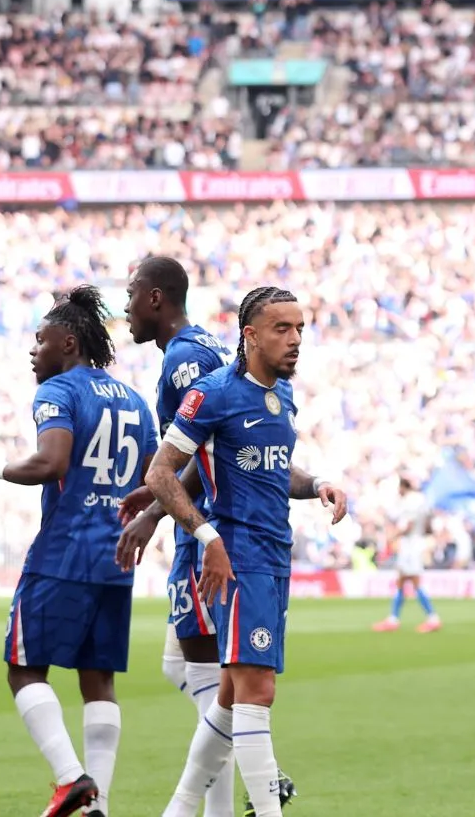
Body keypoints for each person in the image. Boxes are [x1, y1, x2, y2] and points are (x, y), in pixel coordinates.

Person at [139, 286, 348, 817]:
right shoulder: (212, 394)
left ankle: (181, 810)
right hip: (238, 558)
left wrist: (318, 482)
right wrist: (207, 537)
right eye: (283, 329)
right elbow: (160, 473)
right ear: (250, 335)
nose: (296, 339)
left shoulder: (282, 395)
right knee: (258, 691)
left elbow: (276, 470)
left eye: (300, 328)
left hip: (276, 556)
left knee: (232, 699)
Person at [0, 287, 156, 817]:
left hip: (64, 553)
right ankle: (100, 808)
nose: (33, 350)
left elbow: (52, 463)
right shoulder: (136, 401)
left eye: (40, 339)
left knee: (24, 669)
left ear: (68, 343)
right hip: (115, 557)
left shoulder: (58, 392)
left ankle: (72, 779)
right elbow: (152, 478)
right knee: (98, 680)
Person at [114, 255, 255, 817]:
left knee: (211, 681)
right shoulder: (193, 351)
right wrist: (153, 497)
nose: (124, 308)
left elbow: (210, 439)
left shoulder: (185, 358)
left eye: (130, 295)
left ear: (155, 299)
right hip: (197, 524)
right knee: (185, 667)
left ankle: (234, 788)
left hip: (204, 532)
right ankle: (251, 763)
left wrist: (157, 511)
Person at [372, 477, 441, 633]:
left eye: (399, 488)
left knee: (414, 581)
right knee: (402, 580)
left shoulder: (411, 501)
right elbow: (428, 524)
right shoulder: (420, 500)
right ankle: (393, 619)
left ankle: (432, 618)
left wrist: (393, 536)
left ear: (403, 487)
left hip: (411, 545)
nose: (398, 491)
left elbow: (408, 526)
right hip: (414, 543)